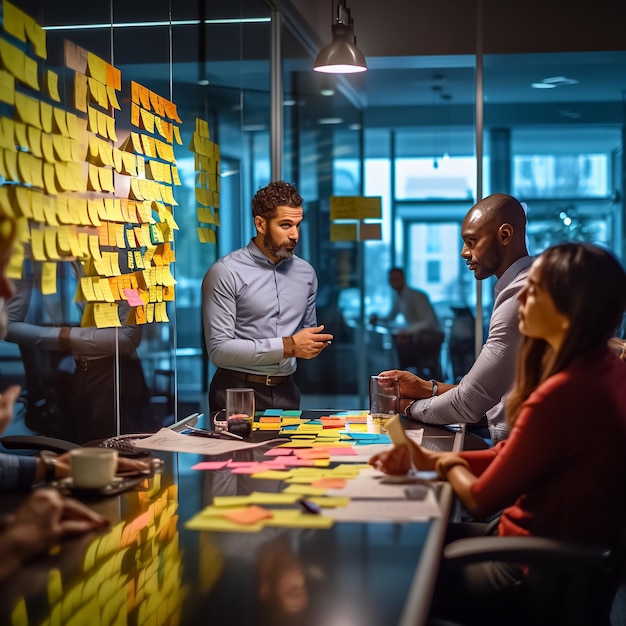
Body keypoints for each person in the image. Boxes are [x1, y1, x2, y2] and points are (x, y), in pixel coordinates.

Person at [370, 242, 626, 622]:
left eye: (534, 292)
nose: (521, 302)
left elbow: (478, 499)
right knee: (417, 544)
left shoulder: (561, 394)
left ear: (568, 314)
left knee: (395, 574)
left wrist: (438, 467)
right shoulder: (607, 370)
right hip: (550, 551)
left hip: (528, 568)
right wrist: (431, 458)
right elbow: (510, 456)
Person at [378, 193, 534, 442]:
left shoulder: (520, 295)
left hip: (520, 448)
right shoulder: (525, 283)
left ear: (505, 235)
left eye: (472, 241)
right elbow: (494, 392)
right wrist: (426, 388)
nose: (464, 253)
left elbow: (469, 402)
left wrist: (406, 408)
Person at [202, 181, 333, 414]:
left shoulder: (306, 273)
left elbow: (306, 336)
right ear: (260, 224)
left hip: (287, 391)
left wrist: (311, 345)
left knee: (287, 452)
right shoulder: (225, 272)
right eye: (285, 225)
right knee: (236, 453)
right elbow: (219, 351)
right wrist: (288, 346)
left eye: (297, 225)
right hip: (236, 391)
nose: (294, 235)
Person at [370, 268, 444, 378]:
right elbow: (391, 316)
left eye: (396, 279)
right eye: (391, 279)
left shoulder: (417, 296)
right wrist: (378, 320)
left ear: (403, 279)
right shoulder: (399, 296)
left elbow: (428, 322)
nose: (393, 282)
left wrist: (407, 331)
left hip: (430, 338)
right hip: (417, 338)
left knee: (422, 366)